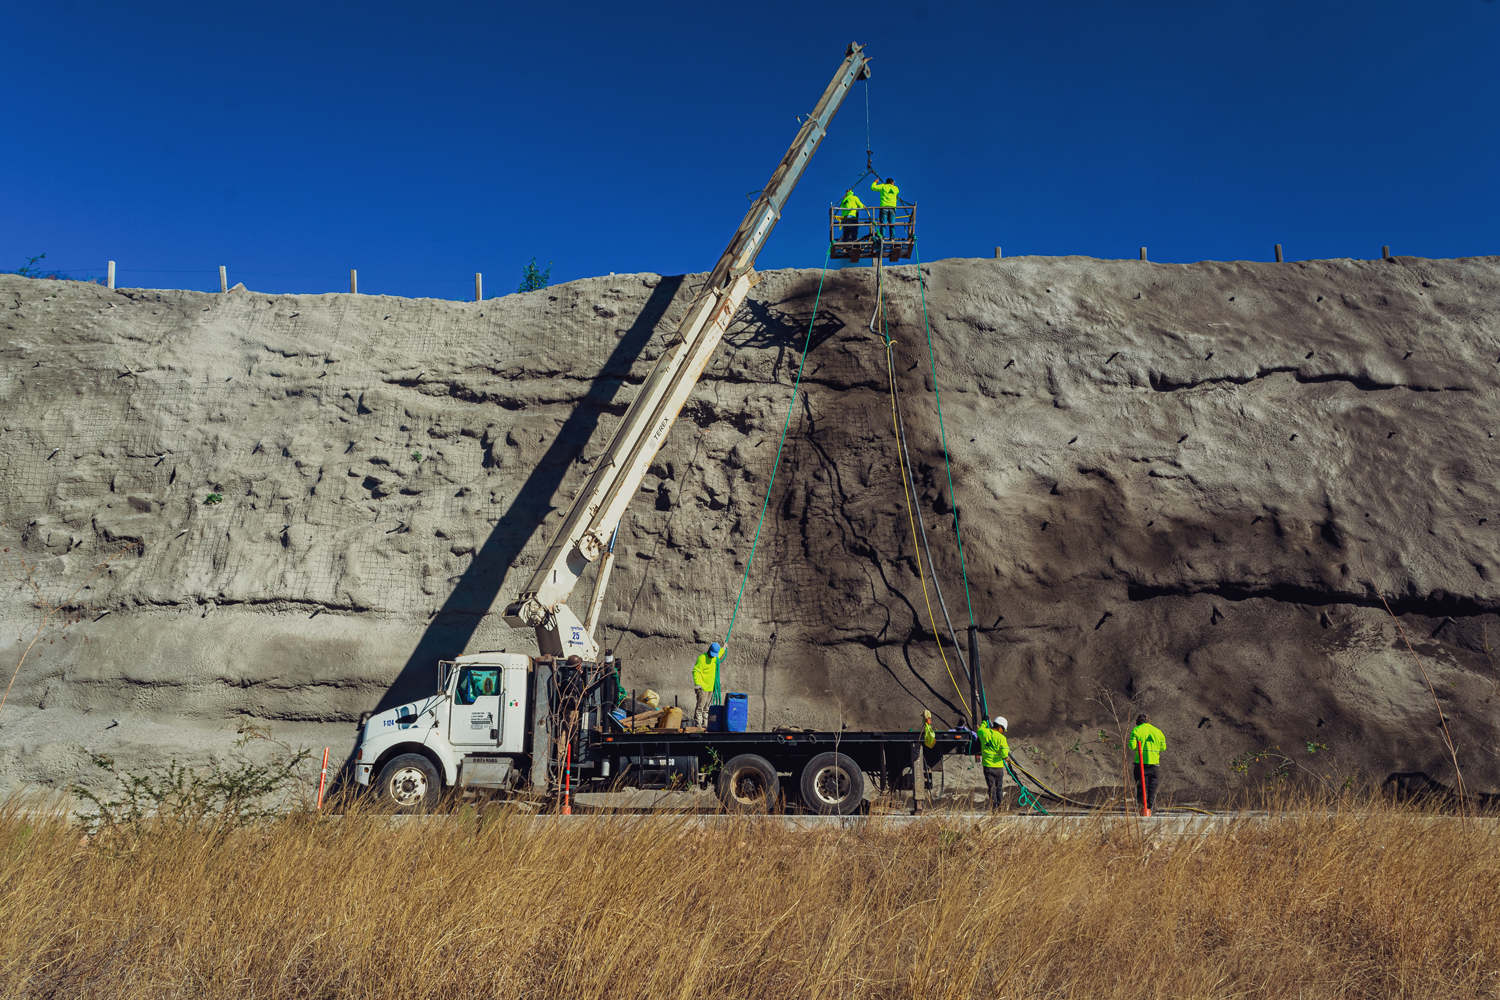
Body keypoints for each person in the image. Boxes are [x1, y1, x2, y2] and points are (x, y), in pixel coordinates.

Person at [1130, 713, 1166, 813]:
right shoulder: (1158, 732)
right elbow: (1163, 748)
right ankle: (1151, 808)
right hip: (1154, 764)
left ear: (1137, 722)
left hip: (1141, 764)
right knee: (1152, 787)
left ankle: (1142, 808)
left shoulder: (1136, 730)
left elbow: (1132, 746)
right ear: (1148, 720)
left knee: (1141, 787)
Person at [973, 715, 1010, 810]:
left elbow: (980, 730)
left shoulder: (983, 733)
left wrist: (985, 721)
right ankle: (1001, 808)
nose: (1003, 731)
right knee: (999, 788)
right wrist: (1005, 757)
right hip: (998, 767)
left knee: (991, 788)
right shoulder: (1002, 738)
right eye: (1003, 729)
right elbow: (1004, 753)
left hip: (987, 767)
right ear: (1000, 727)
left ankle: (994, 808)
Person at [692, 642, 727, 727]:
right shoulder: (702, 658)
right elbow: (696, 671)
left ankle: (705, 724)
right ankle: (698, 725)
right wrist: (697, 683)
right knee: (700, 708)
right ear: (709, 650)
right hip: (702, 688)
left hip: (711, 687)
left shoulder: (715, 658)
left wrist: (724, 648)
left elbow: (719, 654)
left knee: (707, 708)